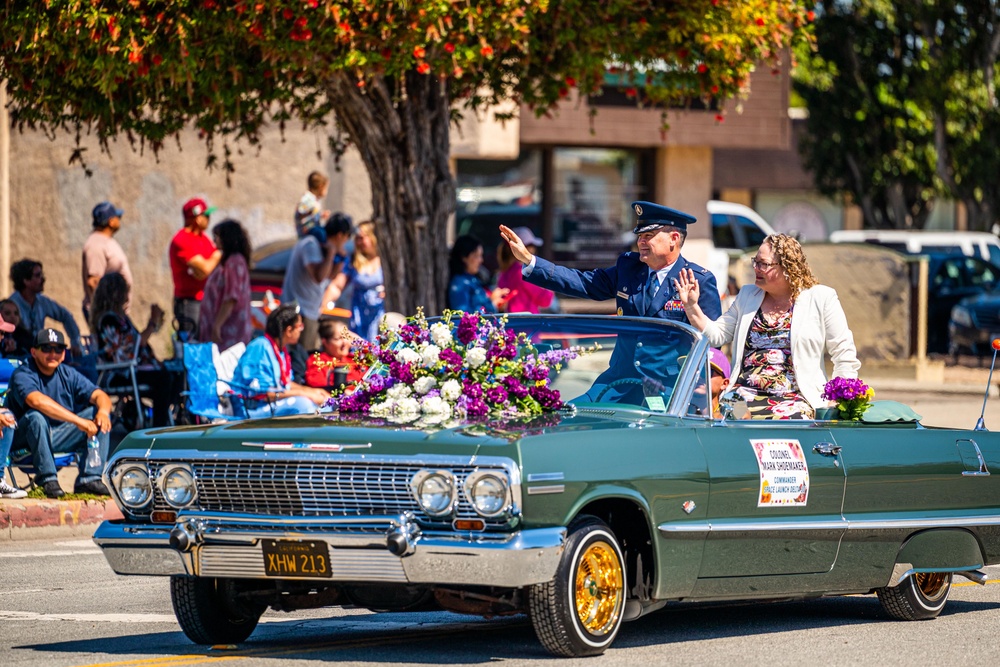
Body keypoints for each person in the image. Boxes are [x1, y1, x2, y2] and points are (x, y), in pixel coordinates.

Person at [499, 201, 722, 403]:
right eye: (640, 235)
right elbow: (584, 283)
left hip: (669, 390)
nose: (641, 241)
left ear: (674, 238)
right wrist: (530, 261)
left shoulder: (697, 280)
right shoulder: (629, 268)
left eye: (649, 235)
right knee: (571, 417)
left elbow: (712, 346)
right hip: (619, 383)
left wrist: (700, 393)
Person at [674, 233, 861, 419]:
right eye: (755, 261)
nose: (756, 268)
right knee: (730, 418)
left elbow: (843, 352)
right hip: (741, 395)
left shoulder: (821, 297)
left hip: (796, 399)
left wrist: (838, 398)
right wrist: (691, 306)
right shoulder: (747, 295)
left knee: (787, 423)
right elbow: (717, 335)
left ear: (788, 267)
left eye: (763, 264)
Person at [6, 328, 112, 498]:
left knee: (98, 415)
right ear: (34, 352)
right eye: (46, 348)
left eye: (58, 349)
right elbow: (37, 401)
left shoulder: (68, 374)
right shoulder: (23, 373)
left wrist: (104, 413)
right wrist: (78, 421)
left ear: (64, 354)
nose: (53, 354)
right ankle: (47, 479)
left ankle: (89, 479)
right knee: (36, 417)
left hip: (57, 436)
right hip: (24, 440)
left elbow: (101, 395)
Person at [89, 272, 181, 428]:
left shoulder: (121, 318)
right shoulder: (109, 319)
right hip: (119, 372)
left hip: (133, 369)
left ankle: (164, 419)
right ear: (117, 293)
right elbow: (135, 345)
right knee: (164, 378)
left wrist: (156, 322)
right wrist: (152, 322)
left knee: (176, 375)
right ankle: (159, 426)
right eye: (125, 290)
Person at [231, 304, 330, 418]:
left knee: (325, 404)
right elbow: (263, 394)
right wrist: (306, 394)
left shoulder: (280, 350)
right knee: (304, 404)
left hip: (270, 403)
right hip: (252, 409)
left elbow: (285, 384)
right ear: (289, 330)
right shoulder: (260, 347)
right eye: (300, 326)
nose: (302, 330)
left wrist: (314, 392)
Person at [282, 213, 352, 351]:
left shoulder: (322, 246)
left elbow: (329, 277)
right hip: (300, 311)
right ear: (340, 235)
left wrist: (340, 259)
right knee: (300, 358)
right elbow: (319, 276)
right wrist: (332, 253)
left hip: (310, 311)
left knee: (307, 355)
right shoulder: (311, 244)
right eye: (346, 239)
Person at [321, 220, 385, 341]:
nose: (358, 242)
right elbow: (337, 286)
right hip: (360, 314)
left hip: (379, 313)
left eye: (362, 238)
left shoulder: (385, 260)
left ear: (373, 238)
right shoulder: (353, 261)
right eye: (357, 238)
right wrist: (322, 306)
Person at [169, 198, 222, 339]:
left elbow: (208, 271)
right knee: (191, 346)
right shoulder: (182, 239)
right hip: (189, 302)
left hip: (205, 300)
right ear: (196, 217)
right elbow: (205, 269)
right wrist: (217, 255)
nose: (209, 219)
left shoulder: (203, 238)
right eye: (206, 215)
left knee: (205, 344)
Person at [8, 259, 83, 356]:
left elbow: (65, 315)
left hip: (40, 353)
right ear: (26, 281)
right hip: (20, 355)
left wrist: (75, 342)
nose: (43, 279)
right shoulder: (12, 304)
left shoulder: (42, 301)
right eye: (38, 276)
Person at [197, 219, 252, 351]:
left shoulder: (234, 262)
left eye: (217, 237)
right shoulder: (228, 261)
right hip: (221, 330)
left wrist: (217, 325)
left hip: (228, 333)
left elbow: (232, 297)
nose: (214, 240)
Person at [82, 201, 133, 321]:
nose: (119, 220)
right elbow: (94, 282)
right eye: (117, 217)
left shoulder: (105, 240)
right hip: (106, 314)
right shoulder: (95, 244)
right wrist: (108, 310)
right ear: (111, 221)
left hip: (115, 312)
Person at [496, 227, 553, 314]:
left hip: (512, 324)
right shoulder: (522, 272)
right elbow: (545, 300)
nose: (534, 250)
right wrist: (550, 285)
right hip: (527, 324)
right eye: (531, 245)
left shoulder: (503, 273)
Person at [448, 235, 509, 313]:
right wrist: (492, 303)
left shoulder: (473, 280)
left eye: (481, 256)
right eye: (476, 256)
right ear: (464, 257)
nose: (481, 260)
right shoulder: (459, 283)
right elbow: (463, 317)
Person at [305, 320, 366, 389]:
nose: (345, 342)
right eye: (338, 338)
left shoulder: (353, 359)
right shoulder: (318, 361)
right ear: (325, 342)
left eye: (346, 337)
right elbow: (316, 383)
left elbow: (375, 354)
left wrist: (359, 341)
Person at [295, 171, 331, 238]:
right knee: (322, 233)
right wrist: (317, 214)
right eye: (326, 188)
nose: (326, 191)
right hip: (307, 230)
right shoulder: (308, 198)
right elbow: (302, 210)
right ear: (320, 187)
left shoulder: (314, 199)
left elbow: (312, 214)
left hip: (311, 229)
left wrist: (320, 215)